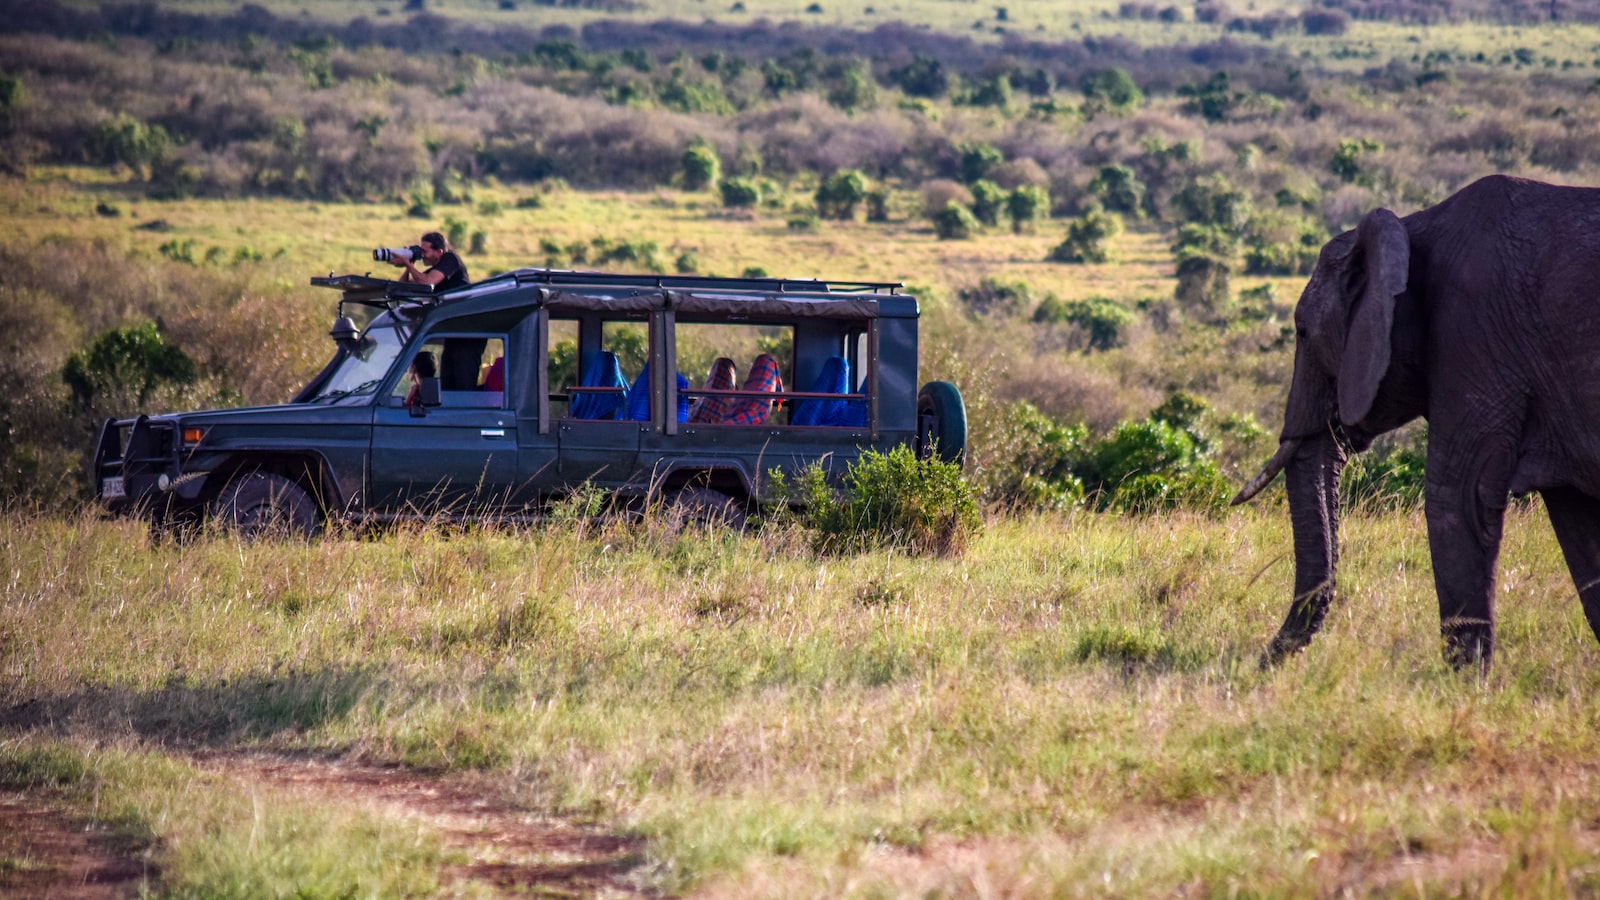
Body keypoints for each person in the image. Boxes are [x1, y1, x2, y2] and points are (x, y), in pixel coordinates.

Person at [391, 231, 469, 290]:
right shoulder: (433, 272)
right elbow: (402, 288)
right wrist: (409, 264)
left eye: (425, 251)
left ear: (439, 252)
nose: (422, 255)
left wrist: (408, 264)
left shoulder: (450, 259)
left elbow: (427, 282)